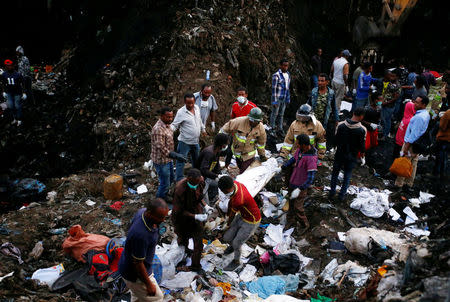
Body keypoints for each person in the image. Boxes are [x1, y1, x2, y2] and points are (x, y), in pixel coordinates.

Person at [118, 198, 169, 302]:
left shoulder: (143, 213)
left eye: (164, 217)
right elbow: (138, 263)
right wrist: (148, 284)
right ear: (150, 214)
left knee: (137, 297)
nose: (163, 220)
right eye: (160, 217)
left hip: (131, 267)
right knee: (157, 298)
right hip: (134, 274)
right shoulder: (141, 235)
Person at [172, 168, 212, 272]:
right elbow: (179, 211)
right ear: (188, 179)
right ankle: (183, 254)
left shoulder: (200, 182)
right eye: (194, 183)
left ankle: (195, 266)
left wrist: (205, 205)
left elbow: (200, 197)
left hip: (195, 210)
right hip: (182, 218)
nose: (196, 186)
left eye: (198, 183)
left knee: (198, 242)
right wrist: (194, 216)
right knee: (183, 238)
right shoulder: (180, 189)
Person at [219, 176, 261, 271]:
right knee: (227, 238)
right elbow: (231, 202)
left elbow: (232, 214)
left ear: (227, 189)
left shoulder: (239, 199)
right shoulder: (235, 184)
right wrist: (227, 216)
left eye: (223, 191)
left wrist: (227, 224)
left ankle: (236, 261)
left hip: (251, 221)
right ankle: (232, 247)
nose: (223, 193)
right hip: (242, 215)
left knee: (237, 242)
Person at [281, 134, 317, 234]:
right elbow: (294, 159)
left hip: (301, 187)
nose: (297, 146)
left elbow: (310, 178)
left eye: (298, 144)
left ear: (305, 145)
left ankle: (304, 224)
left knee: (298, 207)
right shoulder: (300, 151)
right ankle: (290, 221)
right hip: (293, 182)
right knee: (290, 204)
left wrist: (300, 188)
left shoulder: (311, 158)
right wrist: (284, 166)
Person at [329, 107, 366, 202]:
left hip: (340, 154)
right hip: (351, 156)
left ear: (353, 113)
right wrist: (362, 156)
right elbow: (362, 146)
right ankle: (341, 196)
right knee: (347, 175)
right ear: (361, 116)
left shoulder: (341, 125)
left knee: (335, 173)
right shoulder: (362, 130)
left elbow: (335, 140)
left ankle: (331, 193)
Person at [151, 107, 187, 201]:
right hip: (161, 160)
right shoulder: (158, 129)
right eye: (168, 117)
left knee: (171, 178)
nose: (170, 119)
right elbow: (161, 147)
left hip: (168, 159)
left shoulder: (168, 126)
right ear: (162, 116)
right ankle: (160, 200)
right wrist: (175, 155)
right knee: (164, 182)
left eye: (171, 117)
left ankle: (165, 194)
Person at [395, 95, 430, 189]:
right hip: (417, 144)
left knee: (404, 163)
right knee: (413, 164)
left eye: (417, 102)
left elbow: (414, 134)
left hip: (411, 144)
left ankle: (399, 184)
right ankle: (408, 183)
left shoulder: (419, 117)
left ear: (423, 104)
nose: (414, 104)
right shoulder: (425, 114)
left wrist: (406, 146)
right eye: (415, 101)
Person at [171, 93, 207, 181]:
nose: (190, 105)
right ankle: (179, 179)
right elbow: (175, 125)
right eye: (188, 103)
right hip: (184, 142)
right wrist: (167, 131)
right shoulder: (181, 112)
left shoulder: (197, 108)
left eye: (192, 103)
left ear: (194, 101)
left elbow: (199, 120)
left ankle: (196, 177)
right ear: (184, 102)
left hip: (195, 141)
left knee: (196, 160)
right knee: (181, 161)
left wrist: (203, 129)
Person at [221, 107, 267, 173]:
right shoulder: (238, 122)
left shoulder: (261, 129)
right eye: (251, 120)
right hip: (237, 152)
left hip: (249, 155)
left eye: (256, 121)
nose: (253, 122)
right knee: (240, 167)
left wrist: (262, 155)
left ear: (259, 121)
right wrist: (221, 143)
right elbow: (224, 130)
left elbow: (261, 144)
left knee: (245, 172)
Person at [195, 133, 229, 204]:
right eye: (226, 144)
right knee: (203, 197)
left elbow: (216, 164)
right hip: (200, 177)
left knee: (218, 184)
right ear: (222, 144)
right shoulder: (209, 153)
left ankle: (211, 197)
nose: (226, 146)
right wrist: (216, 176)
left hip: (207, 175)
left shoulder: (217, 150)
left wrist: (220, 174)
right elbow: (203, 169)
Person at [1, 59, 26, 126]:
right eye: (7, 66)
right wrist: (4, 91)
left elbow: (23, 83)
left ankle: (19, 119)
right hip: (9, 92)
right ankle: (15, 118)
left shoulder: (18, 74)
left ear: (13, 66)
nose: (8, 67)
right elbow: (3, 83)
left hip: (17, 92)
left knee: (17, 106)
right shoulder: (4, 74)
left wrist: (24, 93)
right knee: (11, 106)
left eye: (10, 65)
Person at [270, 58, 291, 135]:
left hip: (284, 98)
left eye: (287, 66)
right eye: (284, 65)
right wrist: (274, 101)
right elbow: (274, 89)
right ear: (281, 66)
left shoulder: (288, 75)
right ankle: (272, 129)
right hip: (278, 97)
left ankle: (280, 128)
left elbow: (288, 88)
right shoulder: (276, 75)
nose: (286, 67)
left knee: (281, 114)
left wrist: (288, 98)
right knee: (274, 114)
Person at [380, 70, 400, 140]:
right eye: (391, 76)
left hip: (389, 106)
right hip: (384, 103)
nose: (391, 77)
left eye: (393, 76)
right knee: (385, 119)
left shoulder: (397, 85)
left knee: (386, 120)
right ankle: (383, 133)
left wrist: (386, 103)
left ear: (397, 77)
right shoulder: (390, 82)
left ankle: (385, 135)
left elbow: (395, 98)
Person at [434, 108, 450, 181]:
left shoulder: (448, 113)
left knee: (440, 157)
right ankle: (443, 174)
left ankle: (436, 173)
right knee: (445, 157)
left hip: (444, 138)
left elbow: (442, 127)